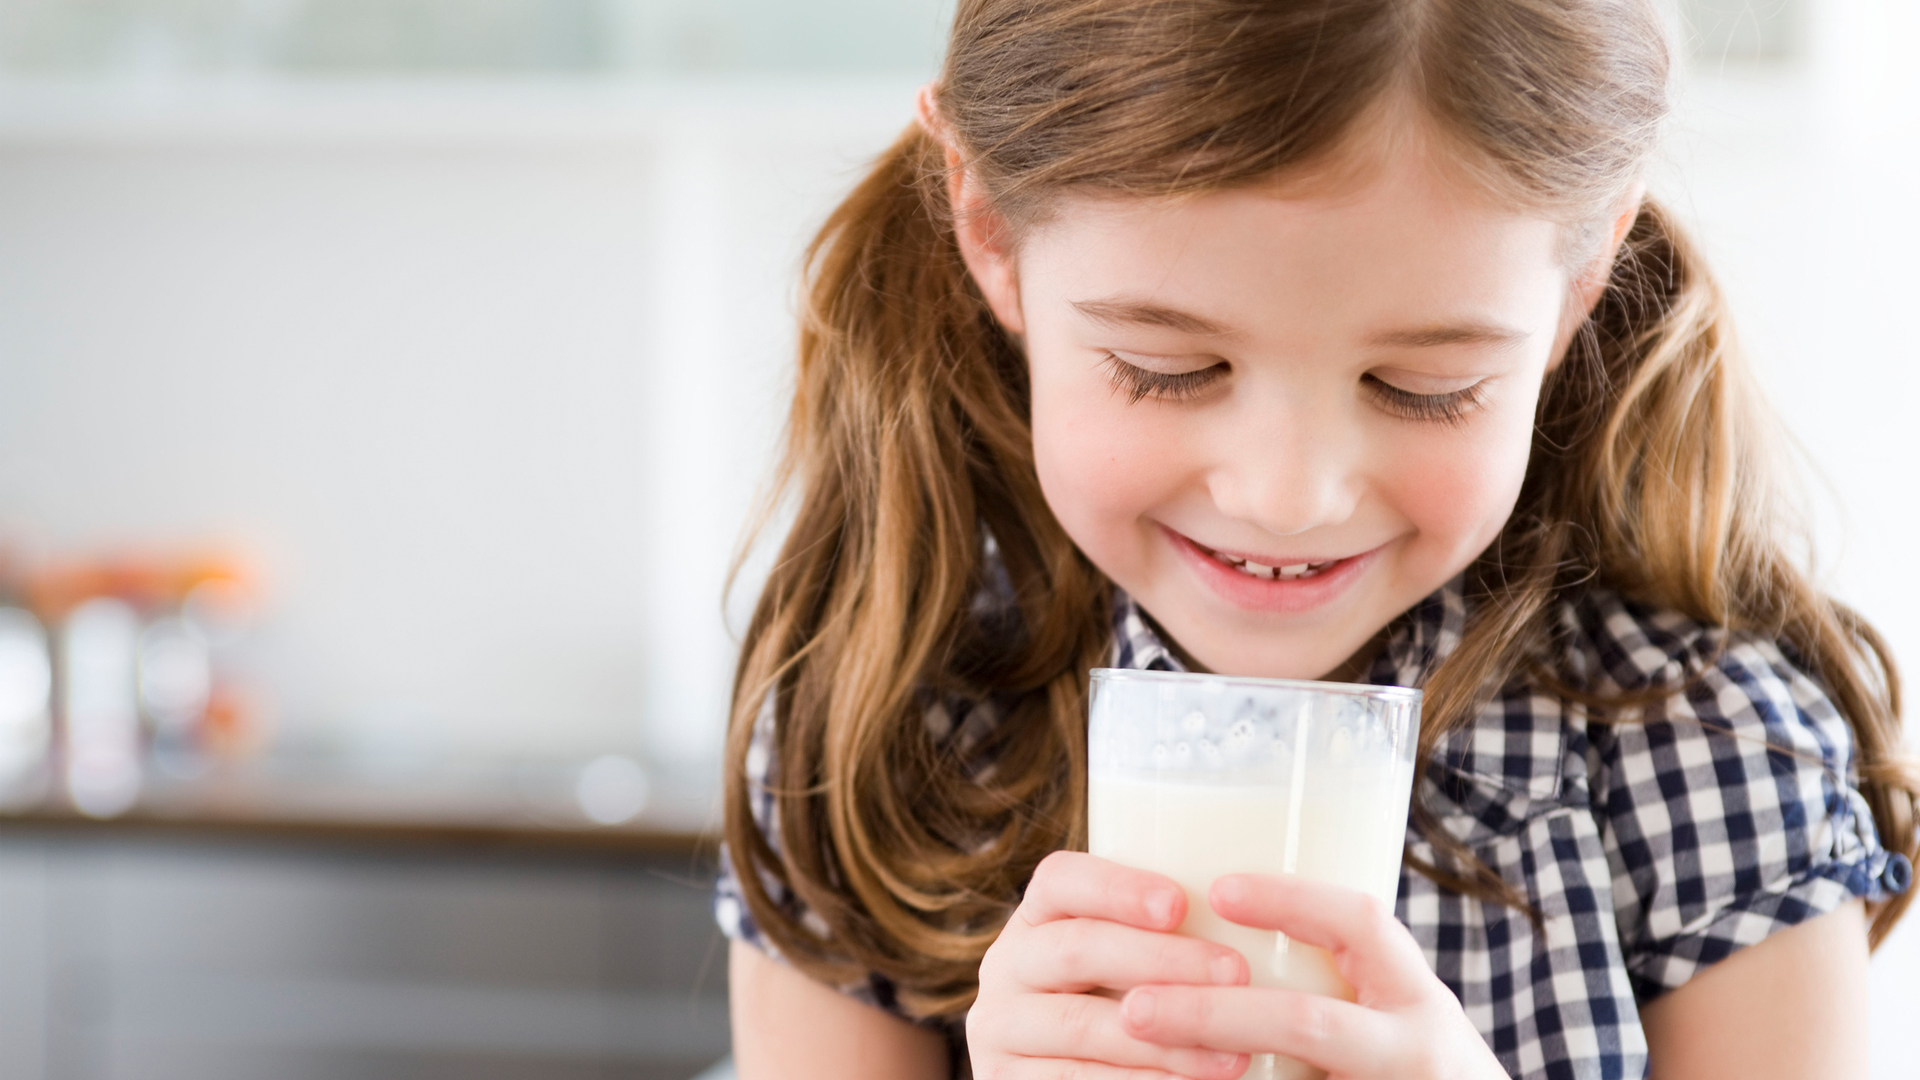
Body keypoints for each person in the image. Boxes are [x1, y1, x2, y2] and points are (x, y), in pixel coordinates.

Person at [713, 1, 1918, 1077]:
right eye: (1169, 369)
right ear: (989, 228)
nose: (1287, 497)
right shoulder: (878, 736)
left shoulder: (1705, 757)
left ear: (1582, 272)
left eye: (1423, 385)